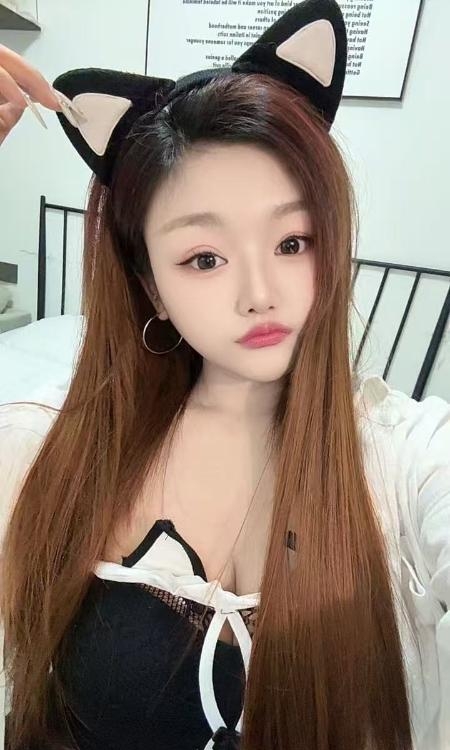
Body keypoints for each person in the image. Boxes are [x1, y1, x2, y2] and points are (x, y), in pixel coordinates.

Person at [0, 2, 449, 749]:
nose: (259, 293)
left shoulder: (406, 458)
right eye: (204, 258)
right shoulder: (47, 448)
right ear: (150, 286)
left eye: (293, 241)